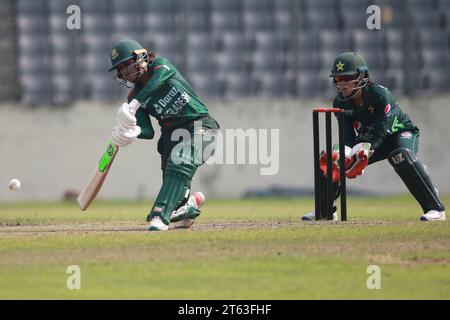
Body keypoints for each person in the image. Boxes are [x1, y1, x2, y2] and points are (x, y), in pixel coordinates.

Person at [302, 52, 445, 221]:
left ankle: (436, 209)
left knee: (401, 156)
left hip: (398, 134)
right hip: (369, 140)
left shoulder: (379, 95)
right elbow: (347, 136)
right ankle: (326, 210)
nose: (342, 84)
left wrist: (365, 149)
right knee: (332, 158)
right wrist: (344, 153)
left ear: (361, 76)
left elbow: (381, 132)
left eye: (347, 78)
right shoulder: (339, 103)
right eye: (338, 79)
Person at [108, 39, 219, 231]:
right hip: (171, 138)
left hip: (201, 126)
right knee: (176, 197)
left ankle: (159, 216)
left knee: (181, 159)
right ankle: (188, 206)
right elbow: (148, 131)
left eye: (127, 63)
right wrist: (131, 132)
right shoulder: (133, 96)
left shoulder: (161, 65)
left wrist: (134, 106)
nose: (125, 71)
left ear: (141, 57)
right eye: (121, 68)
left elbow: (156, 82)